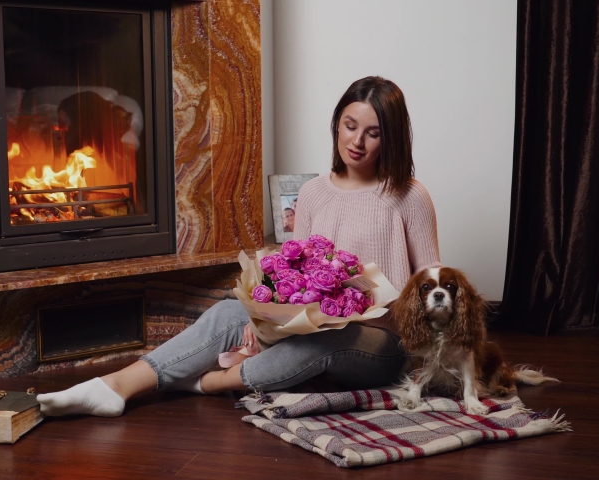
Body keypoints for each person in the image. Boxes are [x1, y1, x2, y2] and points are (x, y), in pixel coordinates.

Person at [37, 76, 442, 417]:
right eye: (350, 125)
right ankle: (115, 386)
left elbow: (435, 284)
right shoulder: (314, 192)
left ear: (389, 139)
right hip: (309, 327)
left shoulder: (408, 195)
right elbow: (292, 278)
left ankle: (211, 383)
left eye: (373, 133)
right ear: (337, 123)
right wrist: (265, 318)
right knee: (229, 311)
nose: (357, 141)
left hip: (382, 344)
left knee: (326, 339)